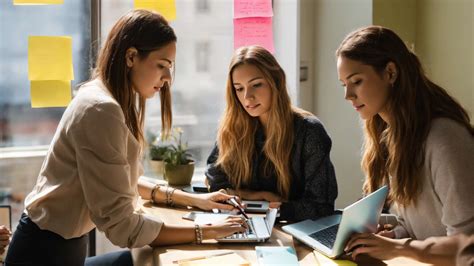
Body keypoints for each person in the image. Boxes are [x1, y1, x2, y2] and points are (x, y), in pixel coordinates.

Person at [5, 10, 246, 266]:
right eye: (161, 65)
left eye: (170, 67)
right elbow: (122, 227)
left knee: (135, 260)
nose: (167, 78)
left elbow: (120, 180)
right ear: (131, 57)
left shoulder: (108, 99)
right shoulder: (101, 109)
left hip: (60, 248)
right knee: (139, 260)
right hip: (42, 255)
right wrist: (207, 232)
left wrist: (197, 200)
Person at [335, 26, 474, 262]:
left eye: (356, 81)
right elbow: (421, 226)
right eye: (343, 85)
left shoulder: (445, 139)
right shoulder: (392, 135)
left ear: (390, 72)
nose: (348, 95)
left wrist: (400, 248)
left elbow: (468, 246)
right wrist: (392, 237)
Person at [205, 45, 338, 222]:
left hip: (291, 231)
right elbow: (215, 181)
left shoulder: (309, 131)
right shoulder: (232, 127)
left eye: (256, 85)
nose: (247, 97)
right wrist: (257, 195)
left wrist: (275, 209)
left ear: (276, 81)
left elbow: (322, 206)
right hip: (241, 223)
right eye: (239, 88)